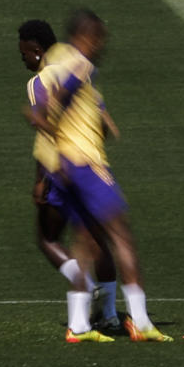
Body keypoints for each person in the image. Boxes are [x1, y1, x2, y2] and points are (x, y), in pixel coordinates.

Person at [28, 10, 169, 342]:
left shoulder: (52, 71)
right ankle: (141, 322)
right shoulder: (80, 64)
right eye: (100, 38)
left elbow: (64, 105)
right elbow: (60, 99)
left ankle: (78, 325)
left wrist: (98, 118)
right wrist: (46, 118)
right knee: (122, 237)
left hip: (63, 165)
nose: (103, 45)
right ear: (87, 37)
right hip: (85, 163)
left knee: (85, 242)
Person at [18, 19, 115, 342]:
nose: (22, 60)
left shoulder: (40, 81)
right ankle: (113, 315)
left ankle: (84, 292)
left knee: (47, 238)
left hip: (61, 169)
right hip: (95, 164)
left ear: (35, 50)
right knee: (98, 239)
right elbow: (101, 122)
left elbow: (47, 132)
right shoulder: (79, 68)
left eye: (24, 53)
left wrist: (41, 177)